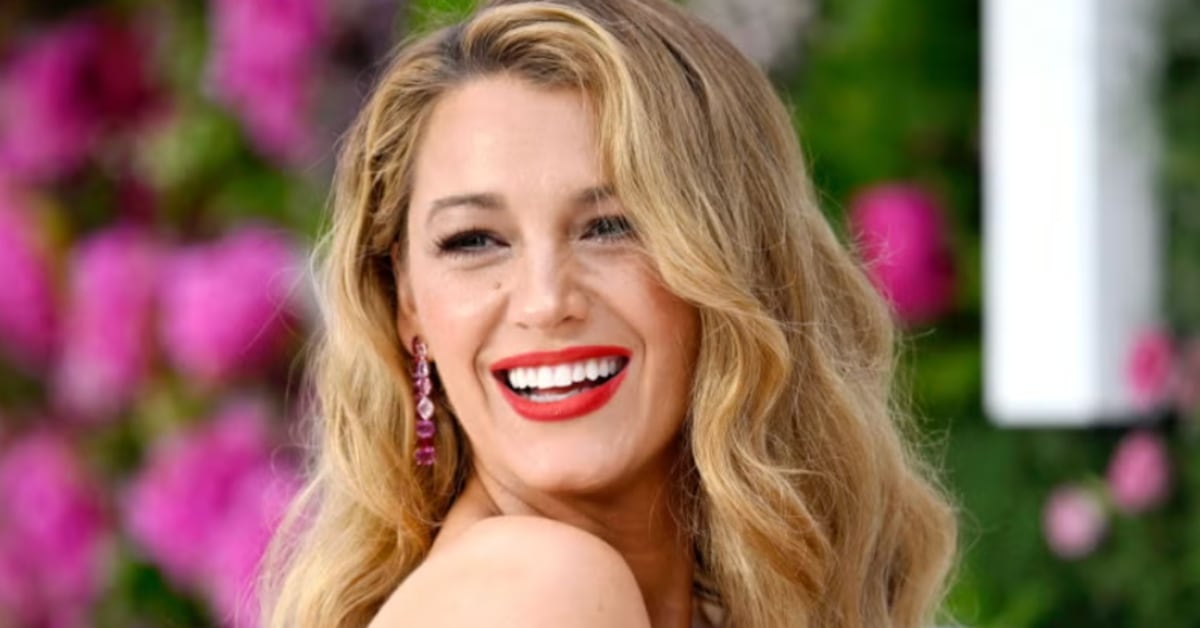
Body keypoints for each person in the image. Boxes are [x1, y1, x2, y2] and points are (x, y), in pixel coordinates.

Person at [262, 0, 958, 626]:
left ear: (734, 263)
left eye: (610, 227)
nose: (546, 301)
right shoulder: (536, 591)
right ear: (407, 303)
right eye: (474, 241)